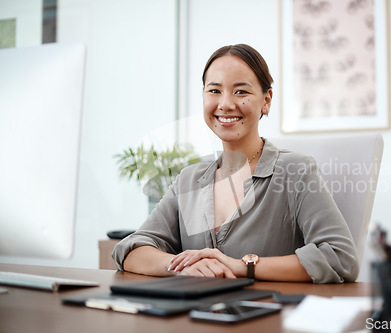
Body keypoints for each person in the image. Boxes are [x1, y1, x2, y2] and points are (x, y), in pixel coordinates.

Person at [112, 44, 359, 283]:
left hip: (267, 319)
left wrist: (241, 266)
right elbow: (130, 250)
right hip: (196, 320)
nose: (226, 104)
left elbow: (340, 257)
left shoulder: (296, 171)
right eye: (214, 91)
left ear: (266, 100)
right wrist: (183, 267)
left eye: (241, 91)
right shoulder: (189, 179)